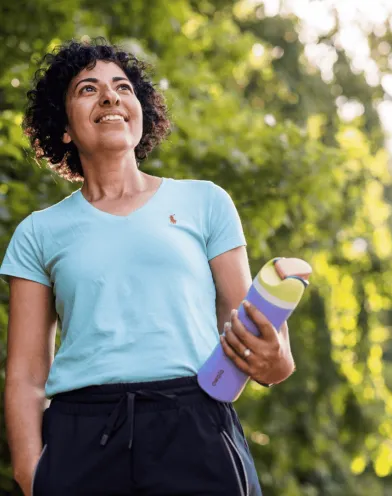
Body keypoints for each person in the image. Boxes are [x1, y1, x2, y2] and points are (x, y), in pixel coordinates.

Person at [0, 37, 295, 496]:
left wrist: (277, 360)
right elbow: (25, 374)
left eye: (122, 87)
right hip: (81, 438)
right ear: (63, 128)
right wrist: (29, 471)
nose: (110, 96)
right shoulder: (39, 232)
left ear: (141, 115)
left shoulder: (206, 202)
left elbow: (255, 345)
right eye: (87, 89)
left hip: (195, 427)